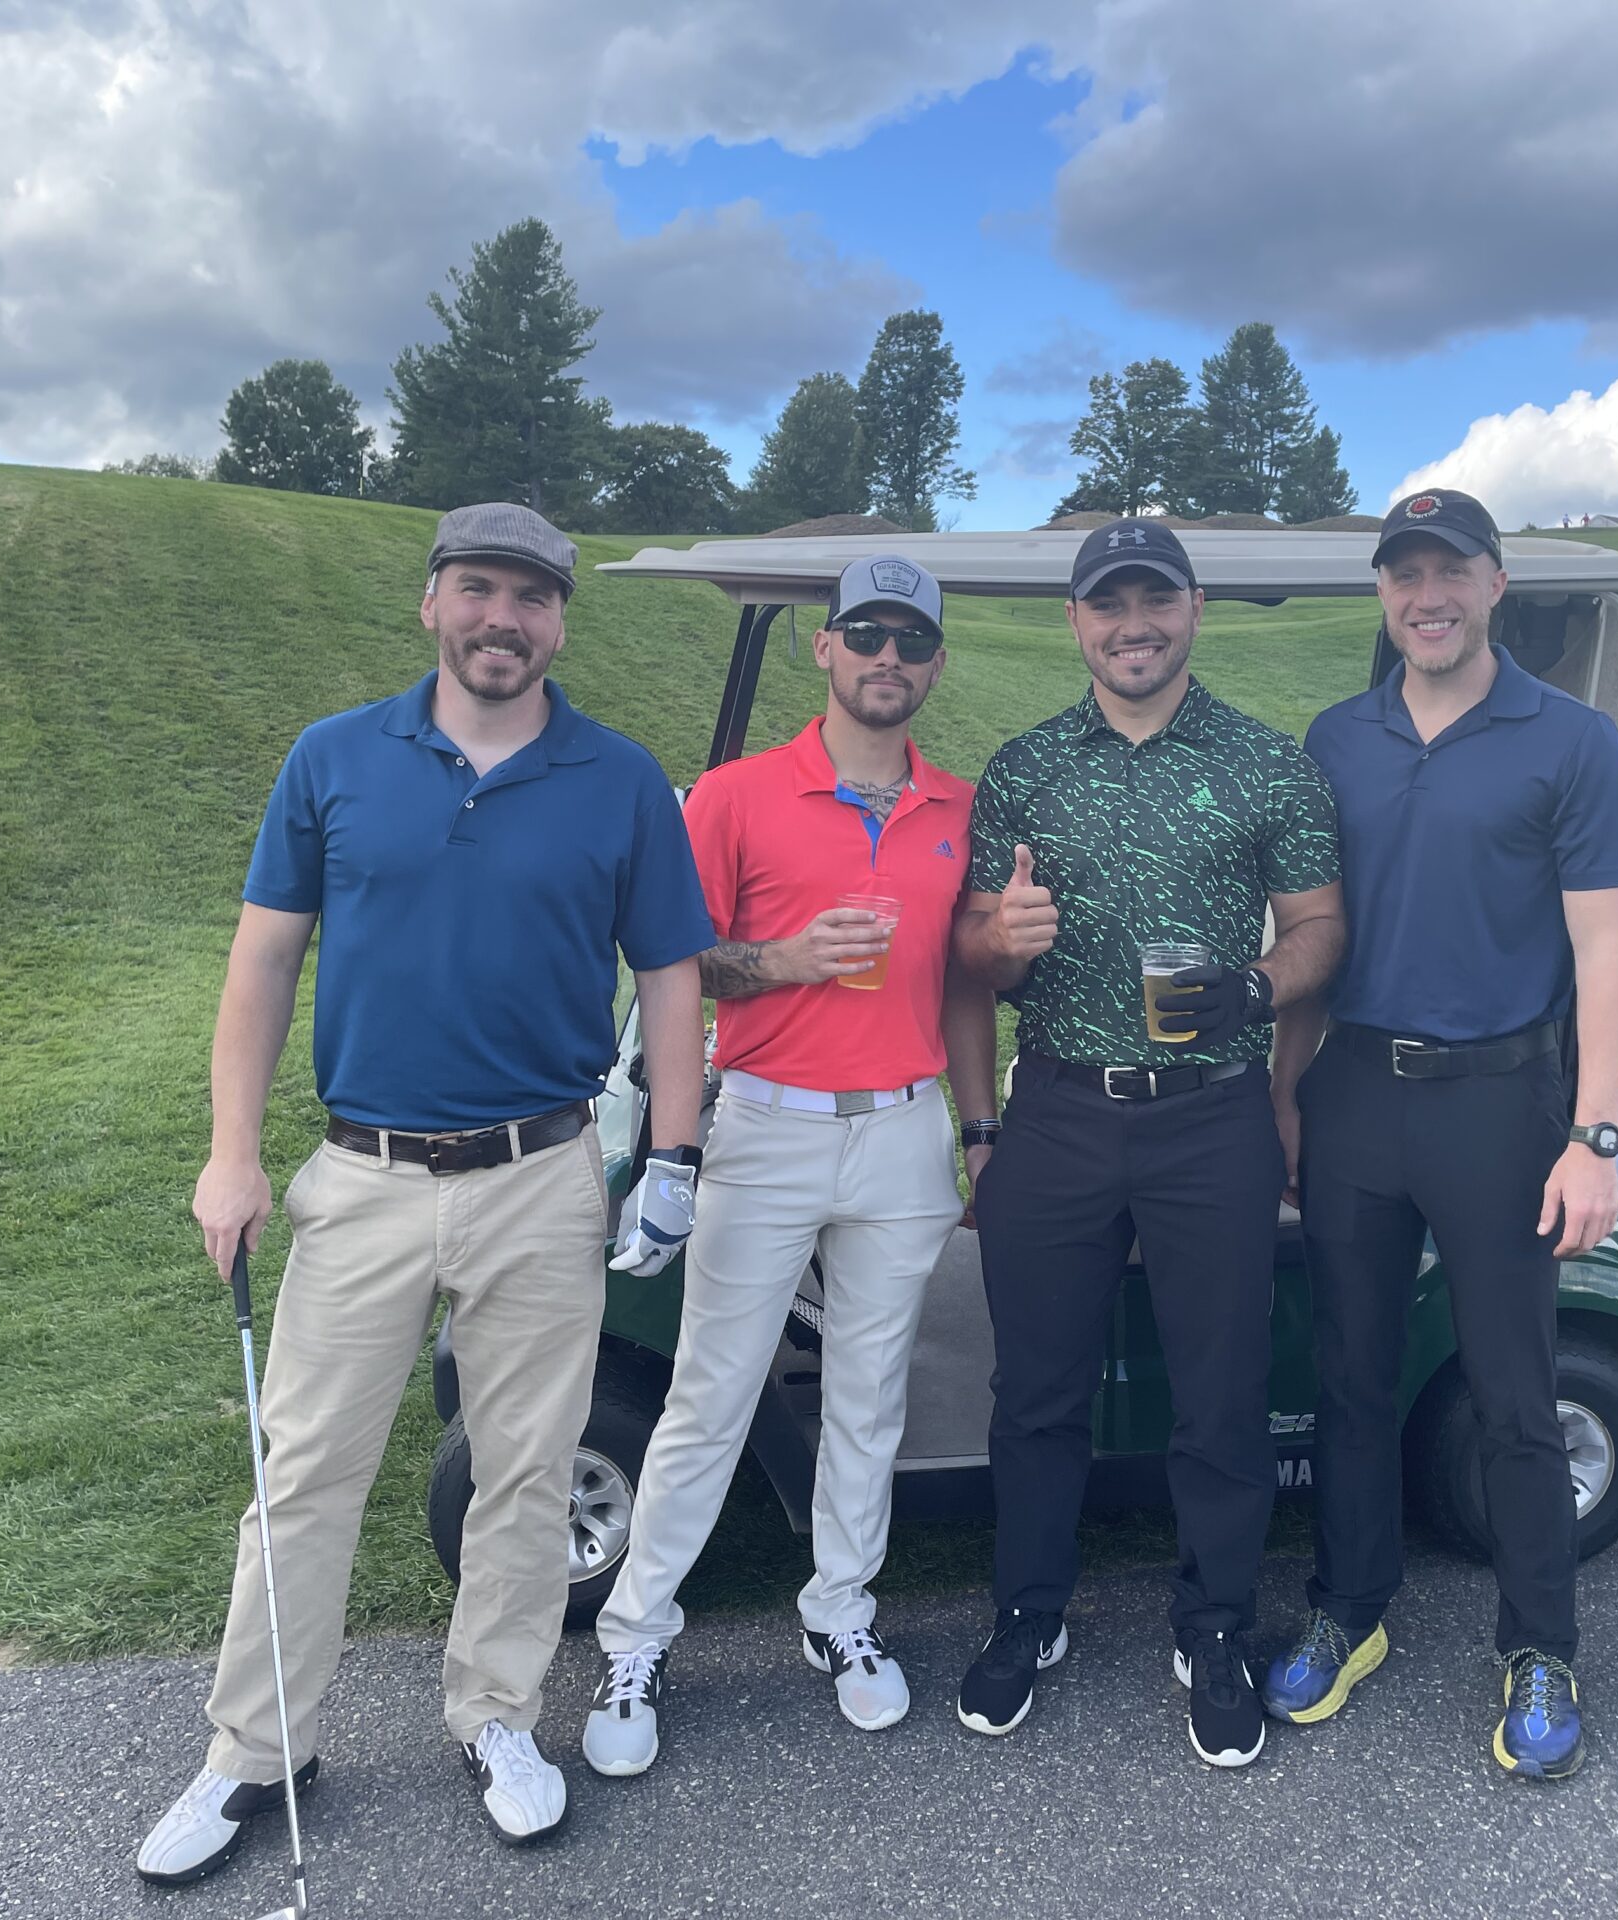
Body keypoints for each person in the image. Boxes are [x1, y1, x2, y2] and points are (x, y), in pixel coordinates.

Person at [137, 504, 713, 1884]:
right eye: (478, 589)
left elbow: (671, 975)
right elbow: (263, 960)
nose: (502, 618)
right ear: (433, 602)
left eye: (531, 596)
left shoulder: (620, 777)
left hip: (543, 1174)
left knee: (525, 1469)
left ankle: (497, 1716)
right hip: (364, 1176)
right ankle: (254, 1750)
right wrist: (231, 1152)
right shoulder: (334, 757)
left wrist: (674, 1154)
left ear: (559, 621)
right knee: (302, 1476)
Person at [583, 557, 996, 1774]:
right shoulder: (735, 795)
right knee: (712, 1391)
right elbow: (677, 961)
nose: (887, 657)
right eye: (864, 634)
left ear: (933, 662)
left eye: (909, 639)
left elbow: (967, 980)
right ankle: (635, 1634)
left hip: (904, 1127)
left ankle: (840, 1609)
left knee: (871, 1392)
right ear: (825, 648)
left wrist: (978, 1128)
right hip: (766, 1124)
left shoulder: (958, 807)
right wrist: (788, 958)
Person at [1258, 488, 1618, 1780]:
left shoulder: (1570, 740)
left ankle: (1539, 1646)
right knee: (1351, 1377)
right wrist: (1287, 1096)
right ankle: (1349, 1608)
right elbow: (1310, 941)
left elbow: (1605, 950)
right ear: (1383, 593)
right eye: (1404, 574)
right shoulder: (1337, 738)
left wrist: (1594, 1135)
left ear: (1494, 585)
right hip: (1356, 1094)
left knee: (1514, 1391)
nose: (1427, 597)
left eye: (1450, 572)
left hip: (1500, 1101)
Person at [953, 519, 1344, 1769]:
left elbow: (1320, 925)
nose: (1134, 624)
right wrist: (999, 940)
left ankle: (1215, 1622)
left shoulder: (1265, 765)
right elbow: (970, 954)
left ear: (1193, 609)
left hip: (1210, 1116)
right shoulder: (1022, 769)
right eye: (1109, 603)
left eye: (1155, 600)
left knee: (1221, 1392)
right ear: (1076, 621)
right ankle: (1029, 1610)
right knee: (1036, 1392)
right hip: (1059, 1110)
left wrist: (1257, 991)